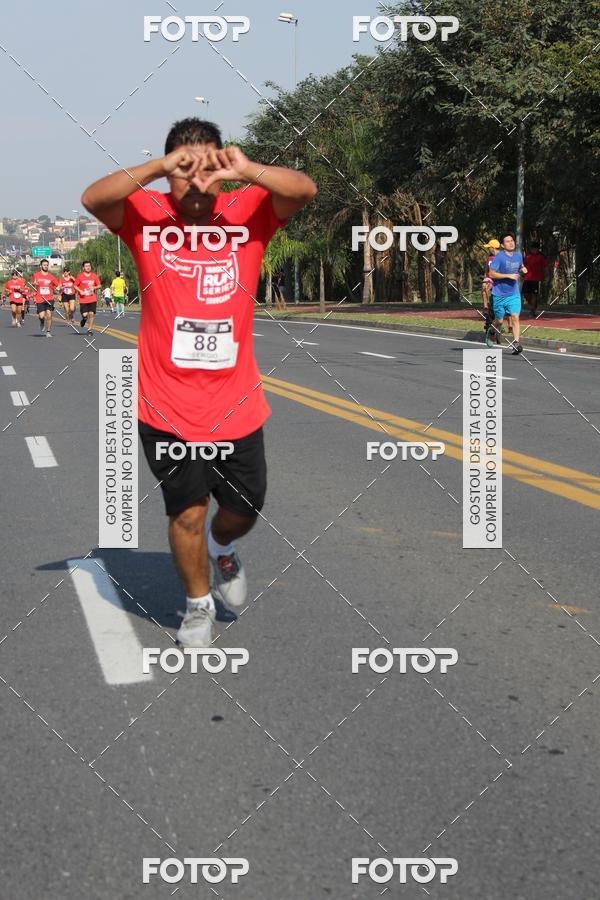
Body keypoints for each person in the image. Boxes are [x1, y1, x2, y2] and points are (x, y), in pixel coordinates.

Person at [82, 118, 317, 647]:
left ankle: (222, 549)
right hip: (165, 402)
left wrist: (246, 170)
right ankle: (196, 605)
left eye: (208, 170)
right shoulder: (146, 214)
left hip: (237, 402)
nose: (198, 183)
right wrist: (159, 168)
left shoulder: (249, 211)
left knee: (243, 508)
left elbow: (305, 190)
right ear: (169, 174)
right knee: (185, 511)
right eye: (184, 171)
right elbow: (94, 197)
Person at [486, 233, 527, 354]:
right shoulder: (499, 257)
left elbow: (520, 267)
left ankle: (516, 343)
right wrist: (508, 275)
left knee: (515, 317)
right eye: (508, 241)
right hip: (499, 294)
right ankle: (492, 331)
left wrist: (523, 270)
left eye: (512, 240)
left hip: (513, 293)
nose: (511, 242)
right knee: (499, 321)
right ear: (503, 245)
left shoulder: (518, 256)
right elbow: (491, 274)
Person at [32, 259, 59, 337]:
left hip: (49, 298)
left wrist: (58, 287)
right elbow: (33, 285)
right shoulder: (36, 275)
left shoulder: (51, 276)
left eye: (47, 265)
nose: (46, 266)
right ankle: (42, 322)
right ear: (41, 266)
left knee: (49, 315)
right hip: (40, 298)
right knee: (41, 316)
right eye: (44, 265)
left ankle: (48, 332)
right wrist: (34, 284)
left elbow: (58, 285)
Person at [74, 261, 101, 335]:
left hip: (92, 298)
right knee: (85, 314)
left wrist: (94, 287)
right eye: (86, 266)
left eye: (89, 266)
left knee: (92, 314)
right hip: (83, 299)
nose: (88, 267)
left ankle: (89, 330)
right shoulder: (80, 276)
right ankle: (84, 319)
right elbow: (75, 285)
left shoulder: (94, 275)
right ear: (83, 268)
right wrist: (80, 291)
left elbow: (99, 285)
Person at [523, 242, 549, 317]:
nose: (533, 250)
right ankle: (534, 305)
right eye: (532, 249)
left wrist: (547, 276)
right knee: (525, 294)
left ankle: (532, 310)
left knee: (534, 294)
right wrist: (522, 274)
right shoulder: (527, 256)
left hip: (537, 278)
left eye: (535, 249)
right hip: (527, 278)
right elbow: (523, 265)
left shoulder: (542, 256)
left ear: (538, 249)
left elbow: (545, 267)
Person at [481, 239, 500, 342]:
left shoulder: (501, 258)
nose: (488, 249)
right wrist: (485, 278)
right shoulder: (488, 257)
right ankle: (485, 306)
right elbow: (486, 270)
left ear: (493, 248)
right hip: (489, 279)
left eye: (489, 247)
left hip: (498, 282)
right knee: (485, 286)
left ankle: (509, 327)